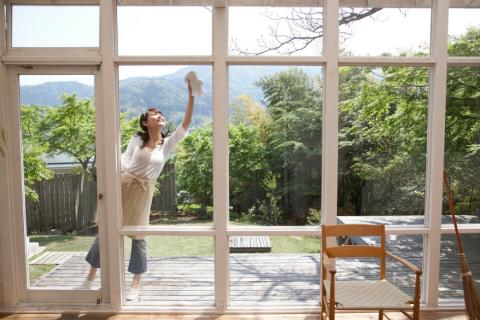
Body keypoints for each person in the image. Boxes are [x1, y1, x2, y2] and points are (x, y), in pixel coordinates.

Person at [81, 78, 195, 301]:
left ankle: (135, 283)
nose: (159, 115)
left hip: (143, 193)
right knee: (106, 230)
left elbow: (187, 122)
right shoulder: (136, 140)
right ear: (146, 122)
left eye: (160, 113)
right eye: (154, 114)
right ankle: (91, 276)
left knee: (139, 237)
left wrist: (191, 95)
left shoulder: (168, 143)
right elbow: (124, 160)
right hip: (124, 185)